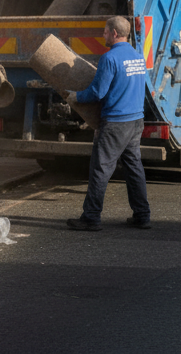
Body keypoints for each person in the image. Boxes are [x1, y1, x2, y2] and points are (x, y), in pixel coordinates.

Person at [66, 15, 152, 231]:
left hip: (116, 122)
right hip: (135, 120)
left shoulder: (109, 58)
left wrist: (75, 97)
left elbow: (97, 92)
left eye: (105, 31)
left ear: (114, 33)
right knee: (134, 168)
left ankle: (91, 218)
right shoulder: (137, 56)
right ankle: (142, 215)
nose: (103, 34)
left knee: (100, 169)